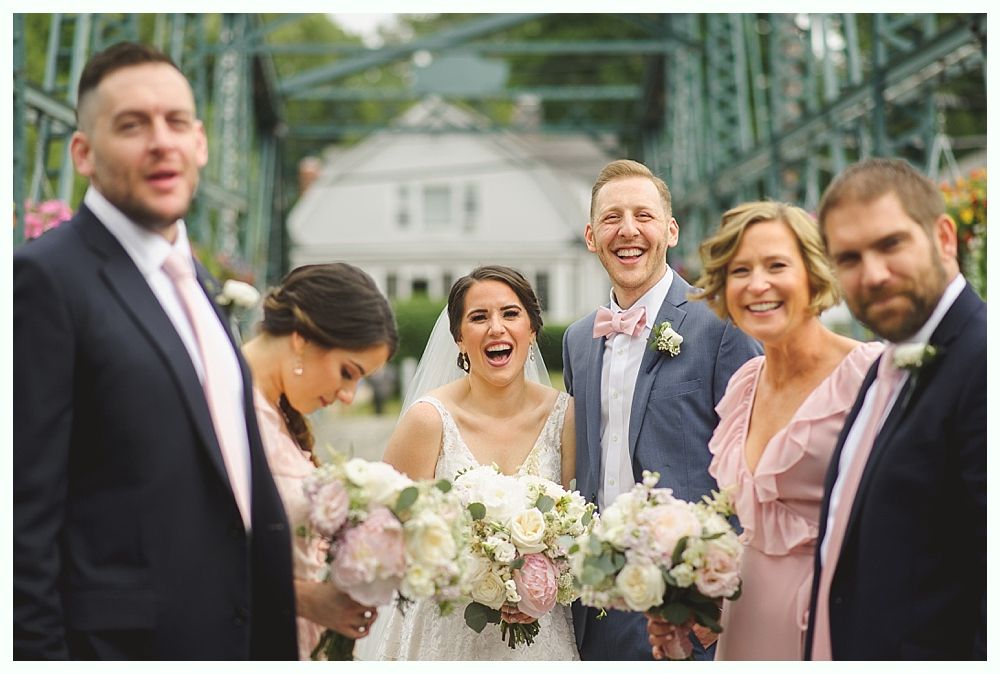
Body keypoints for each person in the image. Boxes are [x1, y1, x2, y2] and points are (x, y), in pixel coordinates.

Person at [13, 41, 296, 659]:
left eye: (174, 122)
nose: (160, 141)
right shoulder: (43, 282)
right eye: (131, 125)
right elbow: (20, 526)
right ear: (82, 153)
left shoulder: (195, 279)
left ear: (200, 143)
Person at [562, 159, 761, 660]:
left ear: (670, 230)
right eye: (612, 218)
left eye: (643, 216)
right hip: (597, 607)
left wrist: (723, 594)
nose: (628, 230)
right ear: (591, 236)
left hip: (692, 608)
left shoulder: (720, 321)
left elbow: (757, 463)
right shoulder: (577, 341)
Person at [677, 201, 882, 660]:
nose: (757, 285)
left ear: (812, 272)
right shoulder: (744, 384)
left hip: (840, 625)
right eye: (740, 270)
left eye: (776, 265)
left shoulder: (871, 377)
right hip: (743, 620)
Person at [803, 158, 985, 660]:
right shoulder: (884, 368)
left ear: (944, 238)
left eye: (891, 245)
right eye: (850, 258)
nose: (874, 274)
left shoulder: (982, 363)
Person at [373, 265, 580, 660]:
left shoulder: (565, 417)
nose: (496, 328)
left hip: (541, 642)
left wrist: (543, 581)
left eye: (510, 313)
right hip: (444, 638)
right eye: (479, 317)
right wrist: (473, 571)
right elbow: (386, 536)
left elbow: (577, 533)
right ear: (459, 338)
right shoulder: (428, 420)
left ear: (532, 330)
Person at [240, 263, 399, 659]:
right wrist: (306, 599)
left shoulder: (278, 416)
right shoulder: (226, 412)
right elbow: (194, 548)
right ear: (303, 338)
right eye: (347, 373)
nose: (348, 395)